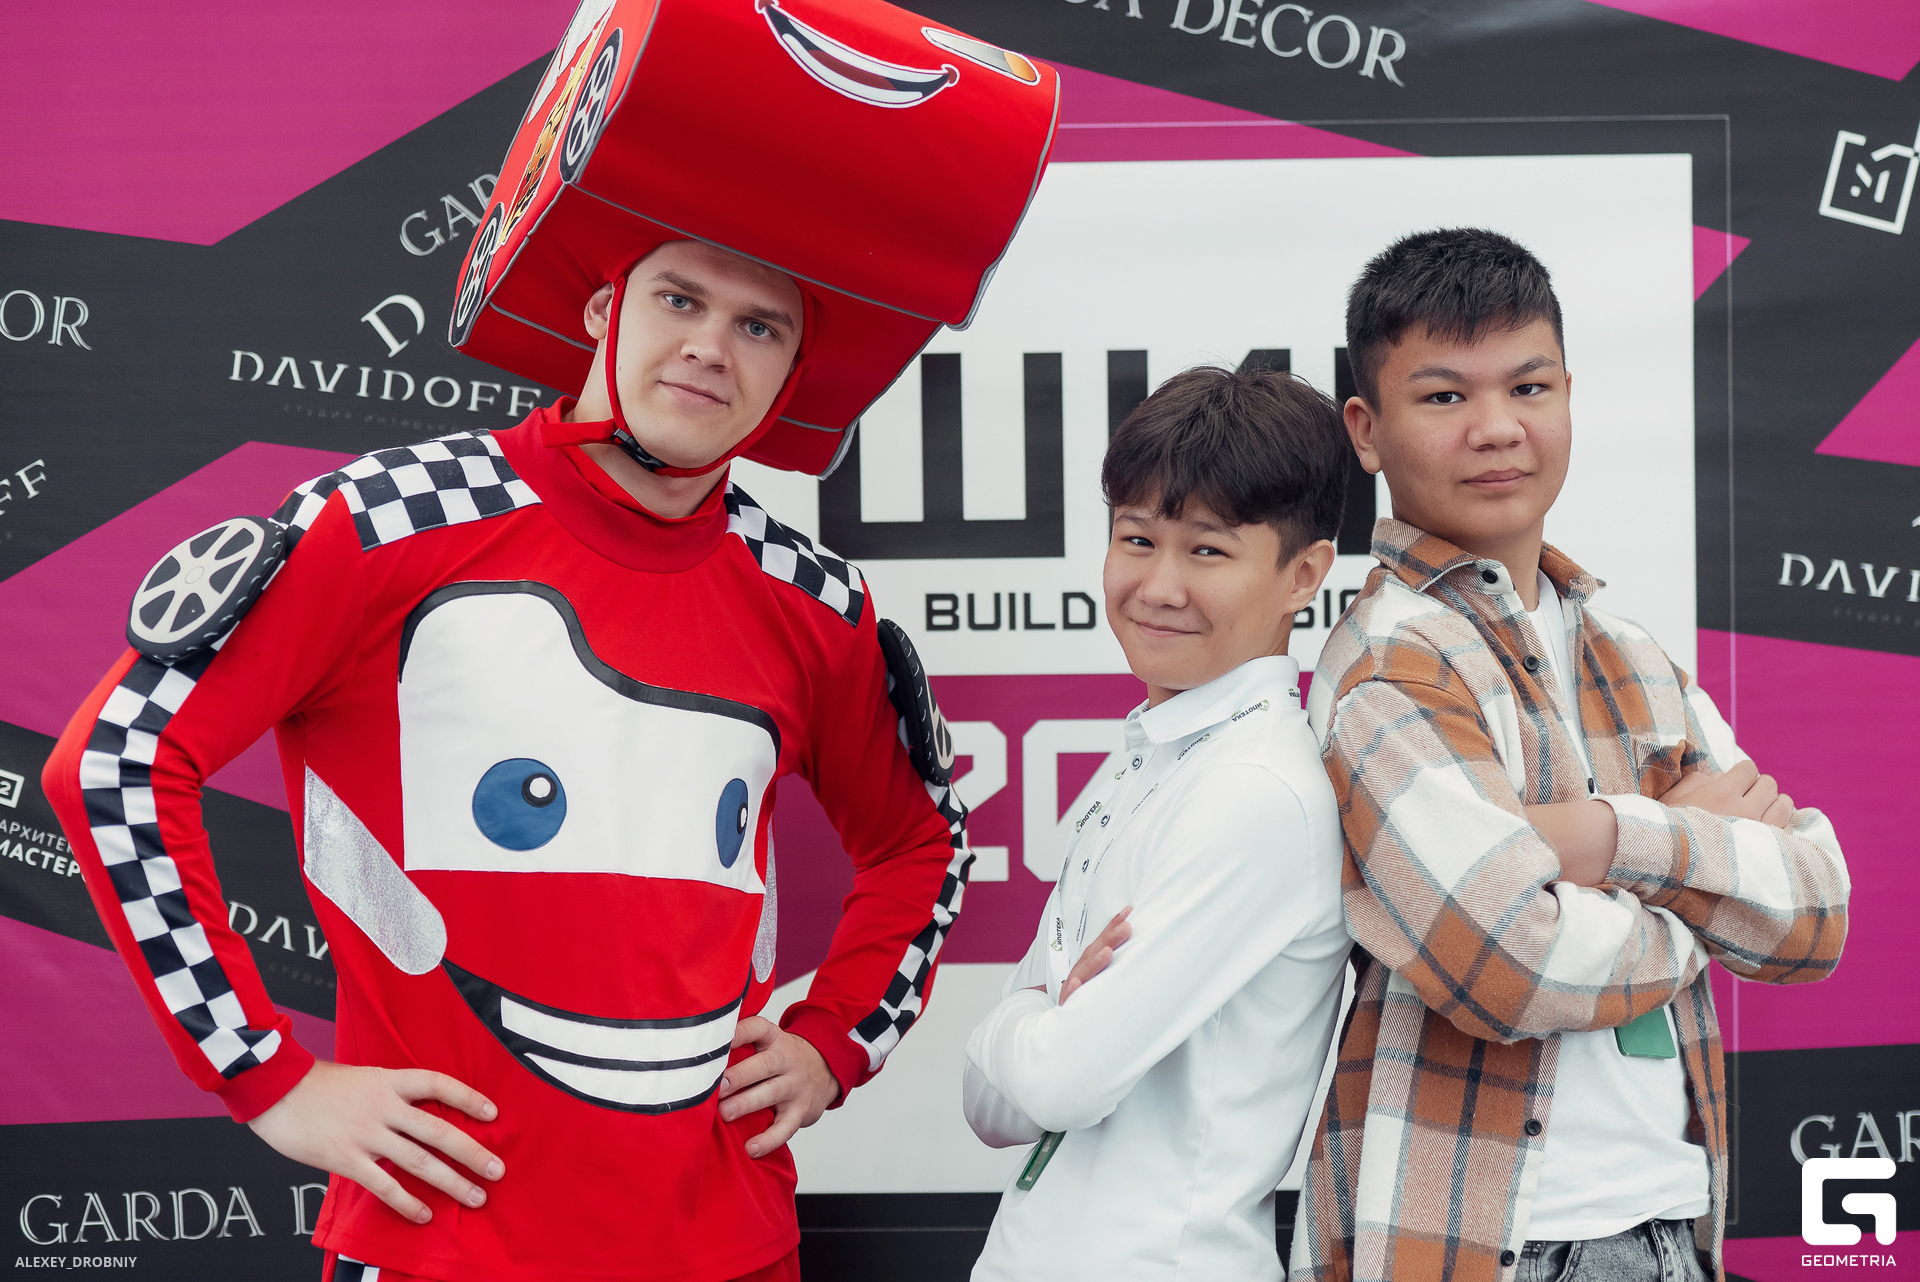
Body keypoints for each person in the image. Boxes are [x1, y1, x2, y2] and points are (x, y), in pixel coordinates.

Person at [42, 236, 980, 1281]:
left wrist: (837, 1039)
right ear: (601, 312)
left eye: (759, 326)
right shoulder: (390, 518)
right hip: (443, 1247)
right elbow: (115, 760)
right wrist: (262, 1074)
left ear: (791, 375)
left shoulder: (814, 599)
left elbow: (925, 843)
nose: (711, 347)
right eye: (679, 300)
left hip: (733, 1247)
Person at [1291, 228, 1850, 1282]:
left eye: (1529, 386)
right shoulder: (1389, 667)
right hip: (1491, 1246)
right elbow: (1509, 963)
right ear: (1366, 430)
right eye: (1445, 396)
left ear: (1568, 396)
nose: (1498, 428)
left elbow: (1816, 913)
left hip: (1676, 1227)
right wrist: (1700, 869)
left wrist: (1596, 838)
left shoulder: (1631, 654)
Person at [962, 366, 1355, 1281]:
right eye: (1136, 539)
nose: (1159, 586)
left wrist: (1030, 1015)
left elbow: (1056, 1082)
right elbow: (989, 1107)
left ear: (1303, 575)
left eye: (1208, 552)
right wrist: (1044, 1022)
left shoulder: (1257, 789)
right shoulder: (1149, 755)